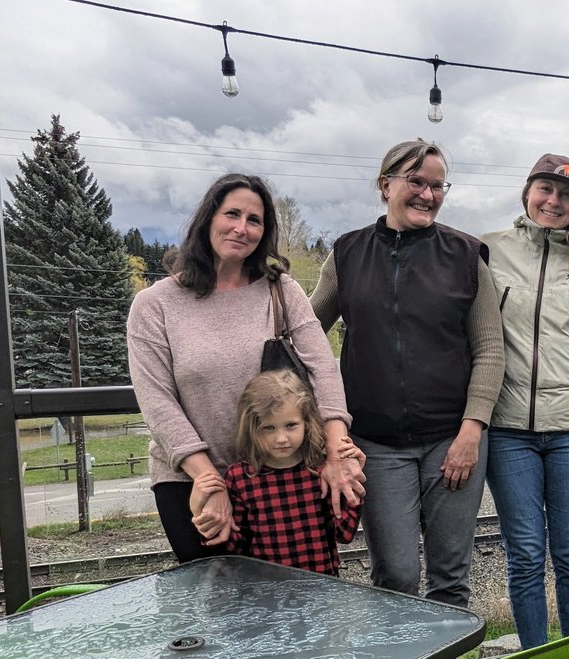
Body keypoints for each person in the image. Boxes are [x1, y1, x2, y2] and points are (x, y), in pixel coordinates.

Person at [127, 173, 365, 563]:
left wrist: (338, 451)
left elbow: (323, 369)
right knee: (216, 604)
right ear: (208, 219)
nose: (241, 228)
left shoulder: (280, 290)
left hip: (278, 474)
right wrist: (208, 478)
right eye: (232, 214)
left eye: (254, 220)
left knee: (294, 602)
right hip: (193, 479)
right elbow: (157, 402)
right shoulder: (156, 304)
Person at [310, 139, 504, 607]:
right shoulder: (348, 254)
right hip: (375, 444)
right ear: (385, 185)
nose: (428, 194)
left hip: (451, 441)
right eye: (416, 182)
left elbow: (491, 350)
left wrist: (471, 432)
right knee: (395, 574)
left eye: (438, 185)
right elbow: (306, 333)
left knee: (450, 578)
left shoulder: (466, 255)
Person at [481, 153, 569, 649]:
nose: (554, 201)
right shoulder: (488, 251)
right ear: (527, 192)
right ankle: (536, 651)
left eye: (567, 195)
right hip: (506, 430)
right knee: (523, 553)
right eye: (546, 190)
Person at [193, 369, 362, 576]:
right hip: (264, 591)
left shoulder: (321, 470)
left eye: (291, 425)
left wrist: (352, 480)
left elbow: (344, 533)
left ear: (307, 423)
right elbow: (233, 548)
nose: (281, 438)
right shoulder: (239, 477)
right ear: (252, 428)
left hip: (320, 586)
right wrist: (203, 516)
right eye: (269, 428)